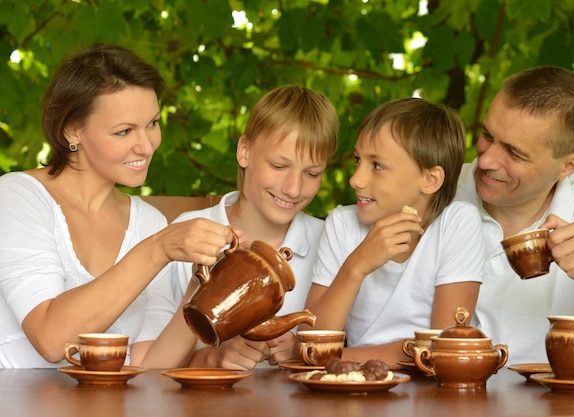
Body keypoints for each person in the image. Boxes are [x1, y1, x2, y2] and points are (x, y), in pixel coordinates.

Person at [0, 43, 234, 368]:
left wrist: (203, 287)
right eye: (124, 131)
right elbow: (52, 340)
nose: (147, 145)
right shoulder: (17, 197)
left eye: (152, 123)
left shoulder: (148, 223)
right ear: (72, 130)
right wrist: (158, 249)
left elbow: (149, 363)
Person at [454, 65, 574, 364]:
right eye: (487, 135)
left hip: (568, 408)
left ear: (568, 166)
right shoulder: (435, 192)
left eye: (515, 153)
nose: (486, 159)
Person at [304, 97, 484, 368]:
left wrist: (339, 357)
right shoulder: (341, 224)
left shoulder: (457, 223)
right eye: (358, 160)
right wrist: (357, 265)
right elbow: (311, 343)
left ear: (430, 180)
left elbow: (445, 350)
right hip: (356, 388)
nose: (356, 179)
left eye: (377, 165)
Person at [170, 85, 339, 370]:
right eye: (278, 165)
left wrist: (303, 350)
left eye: (312, 173)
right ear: (244, 151)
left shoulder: (330, 242)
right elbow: (152, 360)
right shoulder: (186, 233)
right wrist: (213, 358)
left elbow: (350, 348)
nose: (293, 188)